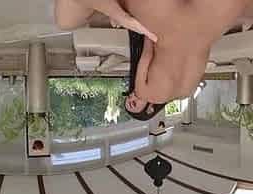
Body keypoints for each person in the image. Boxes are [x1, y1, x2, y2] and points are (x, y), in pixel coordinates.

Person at [54, 0, 252, 121]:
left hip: (218, 13)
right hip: (171, 15)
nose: (131, 97)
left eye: (127, 100)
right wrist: (127, 18)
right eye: (133, 104)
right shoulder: (145, 91)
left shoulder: (186, 91)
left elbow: (201, 54)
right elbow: (147, 51)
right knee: (65, 21)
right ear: (150, 109)